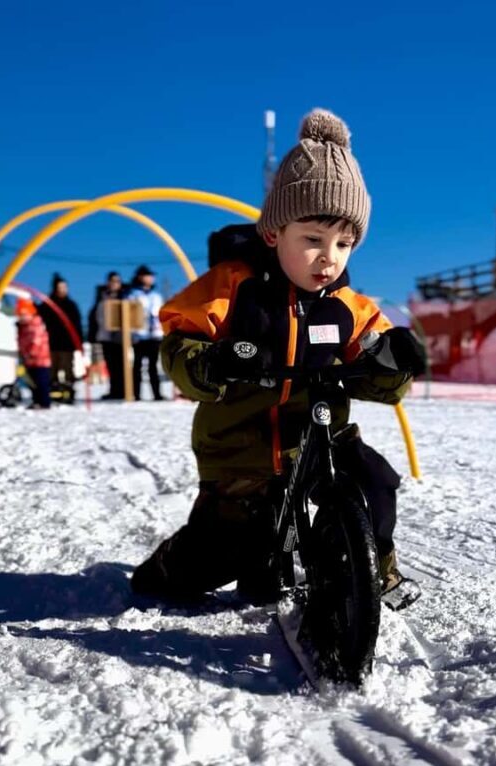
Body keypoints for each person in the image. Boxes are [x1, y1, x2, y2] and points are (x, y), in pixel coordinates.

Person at [131, 109, 426, 606]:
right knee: (228, 548)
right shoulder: (234, 287)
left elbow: (378, 375)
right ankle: (171, 568)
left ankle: (369, 568)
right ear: (274, 234)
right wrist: (210, 362)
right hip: (242, 442)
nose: (329, 257)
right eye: (312, 239)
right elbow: (180, 343)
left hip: (319, 437)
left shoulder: (348, 307)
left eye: (344, 243)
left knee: (373, 483)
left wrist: (392, 364)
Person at [38, 273, 83, 390]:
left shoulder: (71, 305)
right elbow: (39, 318)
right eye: (59, 287)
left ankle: (68, 389)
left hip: (67, 344)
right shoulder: (48, 305)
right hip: (51, 343)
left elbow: (77, 325)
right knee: (52, 368)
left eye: (64, 287)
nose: (62, 290)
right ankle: (52, 389)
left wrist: (79, 342)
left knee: (67, 367)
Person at [126, 265, 164, 401]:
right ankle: (136, 394)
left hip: (154, 335)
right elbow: (129, 317)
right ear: (140, 277)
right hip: (139, 336)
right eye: (148, 276)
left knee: (153, 366)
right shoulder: (133, 295)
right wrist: (132, 334)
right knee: (137, 366)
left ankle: (157, 394)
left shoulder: (156, 296)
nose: (151, 278)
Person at [87, 271, 125, 399]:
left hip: (121, 338)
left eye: (117, 281)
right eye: (112, 281)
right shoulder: (101, 297)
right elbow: (95, 316)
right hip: (105, 336)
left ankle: (124, 390)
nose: (114, 284)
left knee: (122, 365)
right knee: (111, 365)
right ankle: (114, 390)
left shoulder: (125, 296)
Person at [15, 297, 51, 409]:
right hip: (29, 361)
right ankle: (36, 400)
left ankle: (44, 402)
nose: (22, 317)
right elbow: (21, 342)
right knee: (32, 383)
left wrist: (31, 354)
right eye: (20, 315)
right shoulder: (23, 327)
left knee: (41, 382)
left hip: (40, 360)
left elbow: (37, 340)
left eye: (24, 315)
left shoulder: (36, 324)